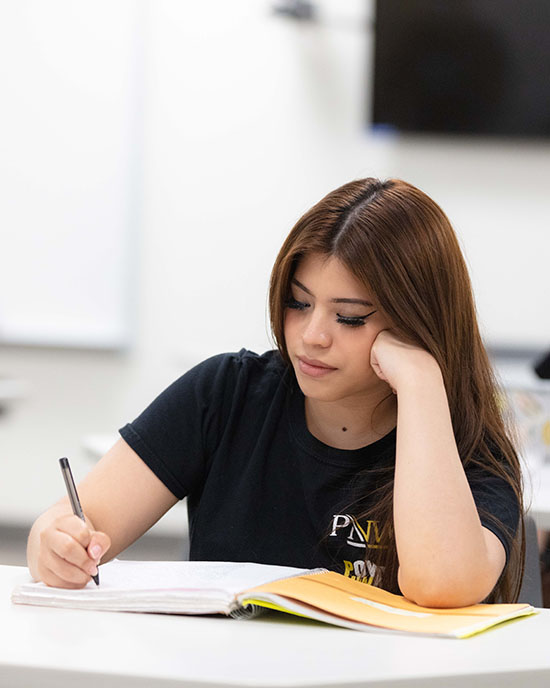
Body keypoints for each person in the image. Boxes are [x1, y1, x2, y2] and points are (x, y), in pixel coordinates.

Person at [26, 178, 524, 606]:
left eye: (349, 317)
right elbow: (71, 523)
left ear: (416, 323)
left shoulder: (467, 450)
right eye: (298, 303)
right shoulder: (227, 393)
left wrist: (419, 382)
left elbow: (441, 584)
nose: (312, 335)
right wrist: (56, 546)